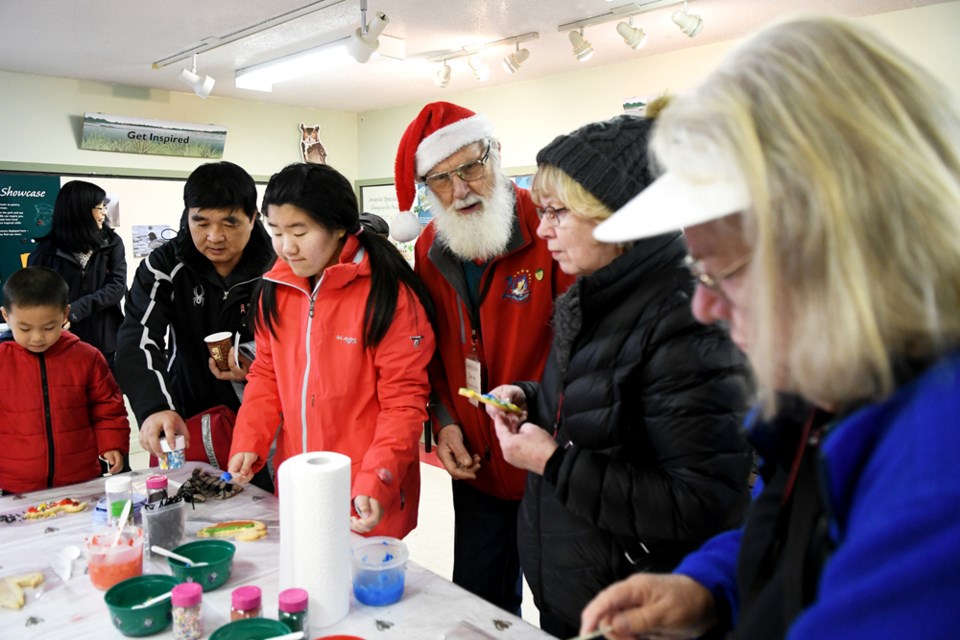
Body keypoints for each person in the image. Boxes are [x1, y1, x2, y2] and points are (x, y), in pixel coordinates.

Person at [579, 15, 960, 639]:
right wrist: (709, 584)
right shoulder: (845, 378)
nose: (705, 308)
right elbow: (808, 527)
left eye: (721, 272)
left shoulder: (938, 474)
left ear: (840, 246)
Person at [484, 105, 753, 637]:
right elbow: (602, 406)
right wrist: (531, 398)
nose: (542, 230)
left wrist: (551, 463)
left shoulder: (685, 322)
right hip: (578, 587)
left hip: (638, 607)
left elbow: (703, 502)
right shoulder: (594, 295)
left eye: (558, 211)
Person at [391, 101, 576, 613]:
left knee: (566, 606)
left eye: (472, 166)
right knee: (478, 605)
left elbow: (583, 347)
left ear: (496, 154)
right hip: (475, 461)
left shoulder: (549, 227)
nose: (461, 189)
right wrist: (445, 421)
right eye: (441, 179)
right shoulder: (430, 246)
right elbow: (425, 348)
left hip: (550, 461)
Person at [226, 163, 435, 538]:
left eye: (300, 232)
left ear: (339, 227)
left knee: (365, 590)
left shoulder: (388, 295)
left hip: (367, 488)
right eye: (275, 232)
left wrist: (378, 476)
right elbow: (266, 375)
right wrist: (249, 440)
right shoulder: (276, 288)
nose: (286, 247)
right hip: (300, 478)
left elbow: (403, 402)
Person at [115, 161, 276, 491]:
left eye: (230, 223)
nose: (214, 237)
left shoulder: (278, 267)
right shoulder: (165, 264)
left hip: (263, 416)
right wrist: (155, 407)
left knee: (264, 508)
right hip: (186, 412)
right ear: (187, 216)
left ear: (253, 219)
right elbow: (138, 337)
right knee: (187, 501)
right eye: (200, 222)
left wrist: (257, 362)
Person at [0, 267, 129, 494]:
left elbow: (108, 408)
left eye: (49, 327)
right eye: (25, 328)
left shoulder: (86, 357)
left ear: (65, 314)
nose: (38, 337)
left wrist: (112, 444)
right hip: (16, 484)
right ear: (6, 316)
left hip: (81, 479)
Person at [27, 180, 126, 367]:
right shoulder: (46, 251)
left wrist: (75, 310)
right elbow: (35, 296)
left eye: (105, 207)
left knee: (108, 393)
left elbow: (117, 287)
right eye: (99, 207)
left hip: (107, 339)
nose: (104, 213)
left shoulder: (112, 243)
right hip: (63, 340)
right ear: (80, 211)